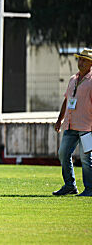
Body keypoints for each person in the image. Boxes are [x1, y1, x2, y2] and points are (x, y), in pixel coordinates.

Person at [53, 48, 92, 197]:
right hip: (70, 125)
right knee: (63, 153)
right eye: (79, 59)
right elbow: (66, 100)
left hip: (87, 127)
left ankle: (89, 189)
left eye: (84, 60)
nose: (80, 62)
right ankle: (70, 185)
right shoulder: (72, 79)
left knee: (86, 158)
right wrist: (59, 119)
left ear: (91, 64)